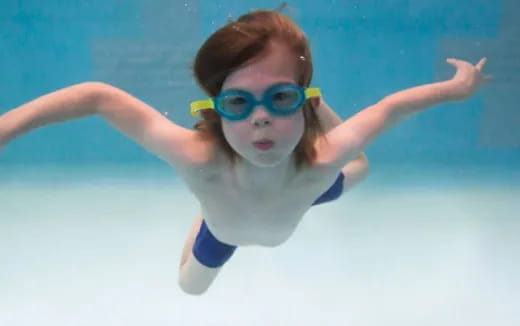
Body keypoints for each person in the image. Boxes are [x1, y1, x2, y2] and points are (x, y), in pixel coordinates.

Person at [0, 9, 490, 295]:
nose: (261, 118)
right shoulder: (197, 157)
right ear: (217, 108)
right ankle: (206, 213)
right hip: (225, 216)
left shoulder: (321, 162)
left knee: (357, 167)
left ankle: (302, 109)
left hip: (302, 187)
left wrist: (457, 89)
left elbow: (389, 109)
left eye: (281, 99)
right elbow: (97, 97)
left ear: (300, 100)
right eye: (239, 102)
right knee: (190, 290)